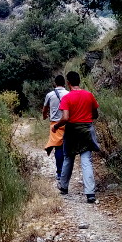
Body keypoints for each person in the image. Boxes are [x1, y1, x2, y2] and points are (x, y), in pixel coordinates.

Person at [53, 71, 99, 204]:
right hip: (86, 129)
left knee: (69, 158)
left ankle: (64, 187)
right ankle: (90, 193)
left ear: (68, 83)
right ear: (79, 81)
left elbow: (66, 117)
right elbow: (95, 114)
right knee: (86, 161)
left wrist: (56, 126)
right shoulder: (89, 95)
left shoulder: (67, 98)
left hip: (72, 130)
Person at [42, 75, 68, 180]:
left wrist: (44, 116)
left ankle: (60, 172)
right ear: (65, 83)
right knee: (67, 147)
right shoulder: (68, 94)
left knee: (58, 148)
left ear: (55, 83)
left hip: (55, 124)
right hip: (67, 122)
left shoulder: (50, 95)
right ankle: (67, 171)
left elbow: (44, 109)